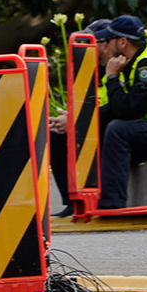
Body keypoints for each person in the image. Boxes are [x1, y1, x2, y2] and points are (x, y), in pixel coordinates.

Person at [93, 14, 147, 210]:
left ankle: (111, 204)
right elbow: (119, 107)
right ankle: (83, 200)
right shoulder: (131, 62)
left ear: (122, 42)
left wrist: (112, 78)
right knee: (98, 129)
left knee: (118, 129)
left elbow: (129, 110)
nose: (106, 46)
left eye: (109, 40)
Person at [46, 18, 111, 208]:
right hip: (98, 124)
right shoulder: (89, 70)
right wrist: (71, 118)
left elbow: (118, 108)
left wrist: (76, 121)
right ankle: (72, 204)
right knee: (55, 134)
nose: (85, 47)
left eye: (90, 43)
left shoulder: (119, 66)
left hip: (115, 126)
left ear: (105, 45)